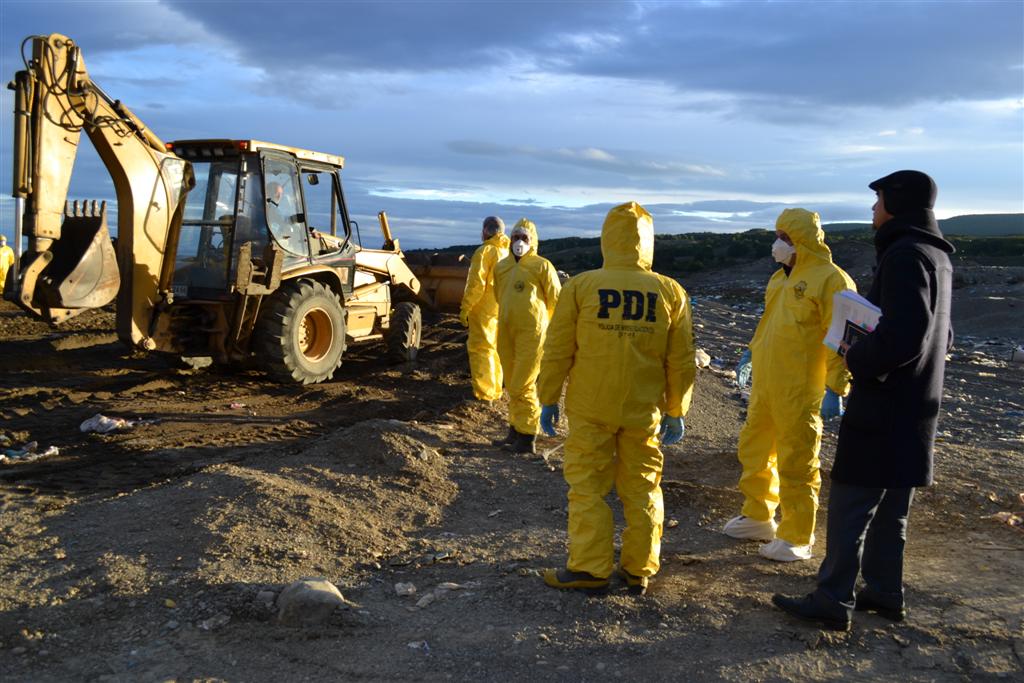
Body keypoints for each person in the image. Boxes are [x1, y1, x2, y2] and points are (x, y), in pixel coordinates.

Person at [773, 170, 953, 630]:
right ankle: (884, 590)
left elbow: (905, 334)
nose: (872, 210)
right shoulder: (936, 255)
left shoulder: (904, 256)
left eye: (877, 201)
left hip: (885, 402)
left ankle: (833, 597)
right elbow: (942, 333)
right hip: (917, 400)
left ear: (896, 202)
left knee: (853, 501)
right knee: (894, 504)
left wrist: (856, 354)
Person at [537, 202, 695, 595]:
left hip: (591, 407)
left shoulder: (582, 286)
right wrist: (677, 409)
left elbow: (558, 349)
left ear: (607, 239)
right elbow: (681, 360)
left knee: (587, 487)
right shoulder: (670, 291)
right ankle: (639, 568)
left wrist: (548, 397)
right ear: (648, 242)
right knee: (643, 486)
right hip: (643, 410)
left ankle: (590, 568)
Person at [722, 208, 856, 562]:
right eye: (777, 235)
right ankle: (758, 516)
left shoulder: (832, 280)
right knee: (755, 451)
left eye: (785, 237)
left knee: (797, 461)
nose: (777, 244)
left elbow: (843, 337)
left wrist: (836, 387)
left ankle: (798, 534)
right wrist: (750, 354)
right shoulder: (779, 280)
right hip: (767, 385)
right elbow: (768, 326)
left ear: (802, 241)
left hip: (800, 390)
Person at [493, 218, 561, 455]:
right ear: (509, 239)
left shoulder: (542, 266)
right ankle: (515, 429)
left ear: (533, 241)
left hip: (532, 334)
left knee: (523, 383)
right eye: (515, 237)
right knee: (512, 383)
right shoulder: (501, 267)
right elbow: (498, 296)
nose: (519, 242)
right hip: (506, 330)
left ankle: (527, 436)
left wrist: (553, 330)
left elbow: (556, 301)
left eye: (524, 238)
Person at [459, 217, 510, 402]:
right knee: (495, 348)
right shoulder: (507, 251)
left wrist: (466, 307)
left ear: (486, 231)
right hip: (501, 306)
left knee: (481, 348)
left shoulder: (484, 251)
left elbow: (475, 284)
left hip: (484, 307)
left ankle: (484, 393)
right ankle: (495, 389)